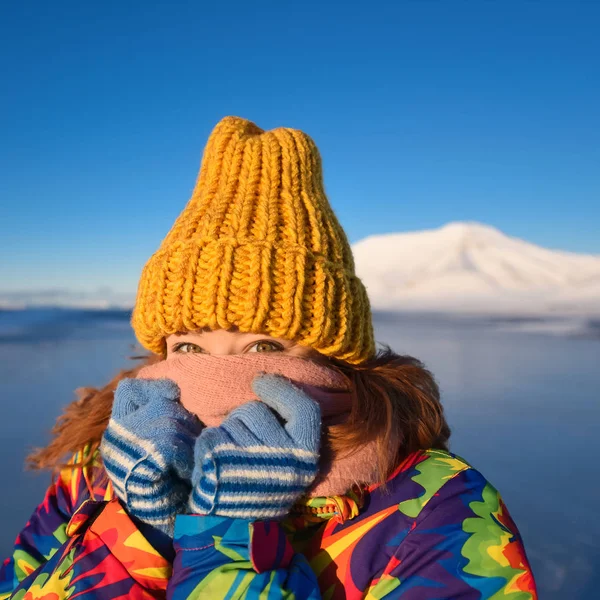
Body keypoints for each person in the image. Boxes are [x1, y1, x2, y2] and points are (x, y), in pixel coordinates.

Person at [0, 117, 538, 600]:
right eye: (188, 346)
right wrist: (138, 530)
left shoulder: (434, 507)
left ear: (333, 357)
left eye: (264, 347)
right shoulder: (103, 464)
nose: (213, 375)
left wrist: (229, 544)